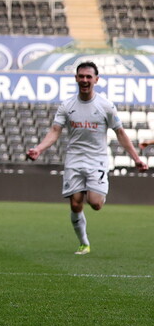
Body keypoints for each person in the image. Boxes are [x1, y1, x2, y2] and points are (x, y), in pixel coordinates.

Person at [26, 61, 147, 254]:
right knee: (75, 203)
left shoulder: (105, 106)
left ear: (96, 80)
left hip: (97, 159)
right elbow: (55, 131)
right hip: (74, 159)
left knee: (95, 203)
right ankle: (84, 243)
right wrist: (39, 149)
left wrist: (136, 159)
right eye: (81, 76)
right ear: (76, 78)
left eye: (88, 77)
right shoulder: (67, 105)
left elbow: (120, 133)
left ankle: (96, 190)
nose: (84, 80)